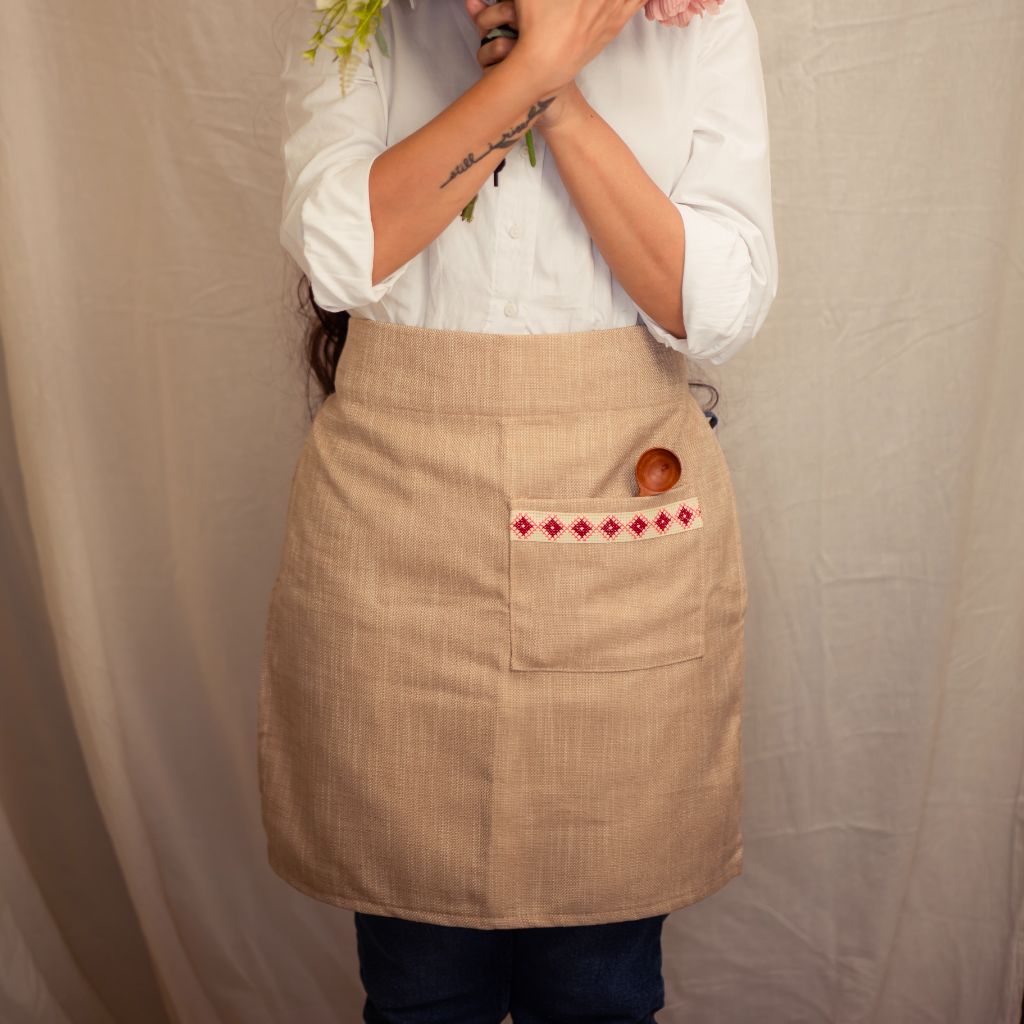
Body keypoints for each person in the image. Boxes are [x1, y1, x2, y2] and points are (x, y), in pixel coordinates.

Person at [257, 0, 778, 1017]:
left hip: (615, 527)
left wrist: (560, 92)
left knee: (598, 985)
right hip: (396, 533)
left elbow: (714, 306)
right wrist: (530, 61)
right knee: (418, 984)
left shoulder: (696, 21)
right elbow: (341, 254)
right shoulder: (357, 17)